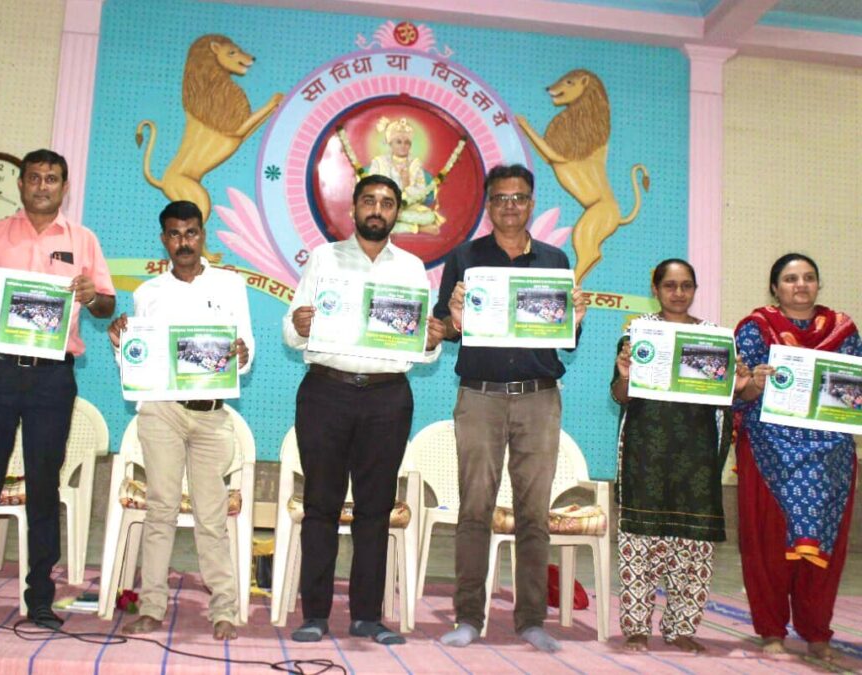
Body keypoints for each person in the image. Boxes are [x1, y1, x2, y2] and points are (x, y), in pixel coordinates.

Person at [0, 149, 115, 629]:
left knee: (43, 487)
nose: (42, 186)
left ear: (64, 186)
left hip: (52, 377)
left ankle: (39, 598)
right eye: (33, 178)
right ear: (21, 185)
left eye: (51, 178)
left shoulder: (84, 239)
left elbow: (107, 305)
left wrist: (94, 296)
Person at [283, 174, 446, 645]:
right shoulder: (323, 259)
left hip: (387, 397)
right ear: (353, 208)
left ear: (398, 212)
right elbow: (292, 333)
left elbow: (422, 347)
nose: (378, 209)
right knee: (321, 506)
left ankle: (367, 618)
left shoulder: (413, 268)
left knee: (375, 509)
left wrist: (432, 341)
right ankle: (314, 614)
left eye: (388, 203)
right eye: (370, 201)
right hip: (325, 393)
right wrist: (298, 324)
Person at [433, 163, 589, 651]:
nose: (509, 207)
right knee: (474, 509)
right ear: (488, 204)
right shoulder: (465, 258)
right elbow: (445, 326)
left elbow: (565, 338)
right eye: (500, 198)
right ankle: (466, 615)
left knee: (533, 513)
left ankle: (531, 620)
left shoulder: (554, 259)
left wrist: (576, 320)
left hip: (539, 398)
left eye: (519, 198)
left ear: (531, 203)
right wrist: (455, 319)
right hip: (479, 395)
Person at [107, 200, 252, 641]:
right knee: (161, 511)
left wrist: (242, 356)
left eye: (191, 233)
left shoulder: (230, 285)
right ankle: (151, 605)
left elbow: (244, 352)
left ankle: (224, 609)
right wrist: (119, 343)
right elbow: (137, 359)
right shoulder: (148, 293)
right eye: (174, 234)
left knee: (211, 517)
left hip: (211, 416)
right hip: (161, 413)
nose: (183, 242)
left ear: (202, 235)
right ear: (163, 239)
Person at [611, 259, 747, 653]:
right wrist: (623, 374)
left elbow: (730, 395)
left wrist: (736, 382)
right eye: (669, 285)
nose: (678, 292)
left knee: (693, 548)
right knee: (639, 544)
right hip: (645, 455)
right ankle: (637, 627)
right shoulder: (638, 335)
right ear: (655, 288)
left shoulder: (715, 340)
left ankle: (682, 628)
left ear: (695, 289)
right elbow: (620, 396)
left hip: (697, 456)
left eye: (686, 285)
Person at [734, 253, 859, 663]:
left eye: (808, 278)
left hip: (829, 457)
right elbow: (737, 394)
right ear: (775, 288)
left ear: (819, 285)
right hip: (770, 453)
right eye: (790, 279)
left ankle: (816, 632)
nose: (800, 285)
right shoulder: (756, 329)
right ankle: (771, 630)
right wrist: (753, 383)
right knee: (768, 547)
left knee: (823, 547)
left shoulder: (843, 331)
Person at [367, 117, 442, 235]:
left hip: (409, 208)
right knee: (375, 219)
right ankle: (418, 229)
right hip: (382, 207)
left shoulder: (415, 164)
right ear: (390, 143)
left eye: (407, 143)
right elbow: (370, 189)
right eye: (399, 142)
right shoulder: (379, 162)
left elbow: (421, 195)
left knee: (430, 217)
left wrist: (407, 186)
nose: (403, 146)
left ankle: (398, 218)